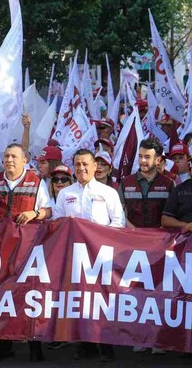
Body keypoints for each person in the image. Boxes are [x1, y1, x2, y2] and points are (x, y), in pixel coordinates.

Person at [0, 143, 52, 362]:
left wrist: (34, 213)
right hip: (0, 246)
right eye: (7, 156)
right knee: (2, 293)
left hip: (28, 246)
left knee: (29, 293)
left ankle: (34, 344)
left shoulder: (36, 182)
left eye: (14, 156)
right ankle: (4, 344)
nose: (9, 160)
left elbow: (49, 211)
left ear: (24, 160)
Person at [51, 149, 123, 361]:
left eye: (85, 164)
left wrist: (99, 238)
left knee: (101, 299)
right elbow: (57, 222)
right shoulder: (65, 194)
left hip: (101, 254)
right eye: (78, 164)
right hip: (75, 256)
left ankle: (105, 344)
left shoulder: (108, 192)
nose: (81, 168)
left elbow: (118, 222)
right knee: (79, 299)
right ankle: (84, 343)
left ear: (94, 167)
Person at [120, 137, 174, 228]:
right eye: (140, 156)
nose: (142, 161)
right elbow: (119, 214)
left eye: (147, 157)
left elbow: (172, 215)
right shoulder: (125, 183)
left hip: (159, 238)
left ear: (158, 160)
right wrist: (134, 231)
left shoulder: (169, 184)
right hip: (132, 237)